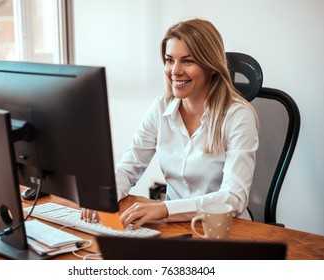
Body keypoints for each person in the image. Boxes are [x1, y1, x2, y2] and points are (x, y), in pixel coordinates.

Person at [81, 18, 259, 229]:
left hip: (225, 229)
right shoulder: (161, 108)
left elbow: (233, 198)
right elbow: (129, 166)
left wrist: (165, 209)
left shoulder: (238, 115)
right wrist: (105, 195)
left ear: (210, 66)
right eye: (169, 60)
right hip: (176, 226)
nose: (175, 71)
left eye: (187, 61)